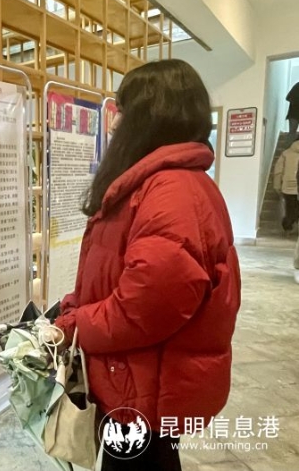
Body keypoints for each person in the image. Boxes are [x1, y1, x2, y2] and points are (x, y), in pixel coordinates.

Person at [53, 60, 242, 471]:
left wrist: (72, 326)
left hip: (143, 384)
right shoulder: (161, 183)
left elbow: (144, 308)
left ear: (151, 116)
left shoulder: (170, 191)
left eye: (123, 110)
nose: (115, 124)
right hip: (137, 378)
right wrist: (74, 306)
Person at [273, 138, 299, 233]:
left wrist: (277, 186)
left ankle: (288, 227)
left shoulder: (286, 153)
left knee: (290, 209)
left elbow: (278, 171)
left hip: (289, 187)